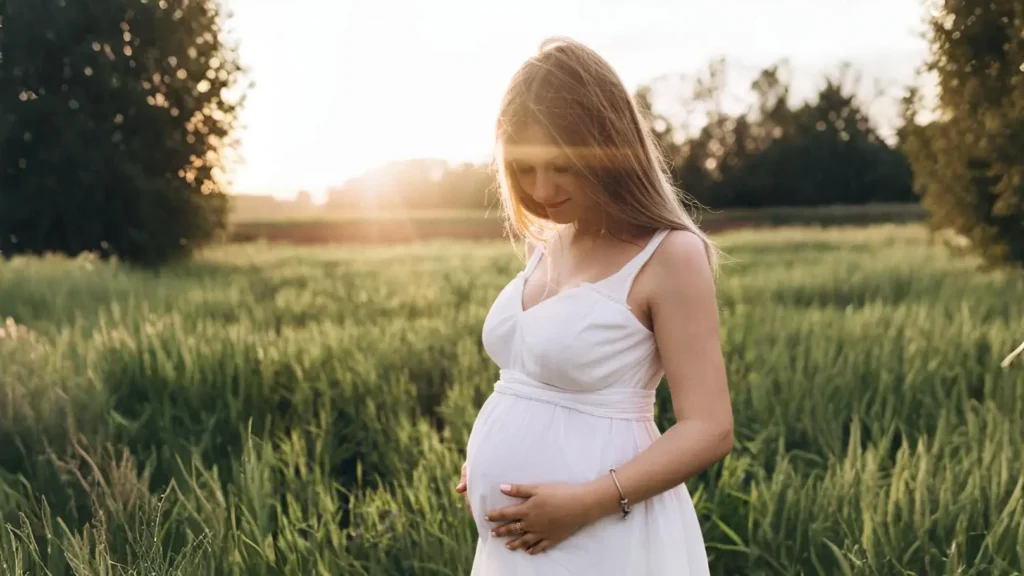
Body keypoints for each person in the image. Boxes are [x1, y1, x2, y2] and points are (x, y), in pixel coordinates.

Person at [454, 36, 734, 575]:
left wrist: (584, 504)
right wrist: (486, 459)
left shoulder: (670, 254)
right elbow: (535, 382)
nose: (542, 189)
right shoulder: (550, 245)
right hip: (515, 546)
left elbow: (710, 427)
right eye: (525, 168)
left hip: (604, 536)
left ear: (609, 146)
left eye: (560, 166)